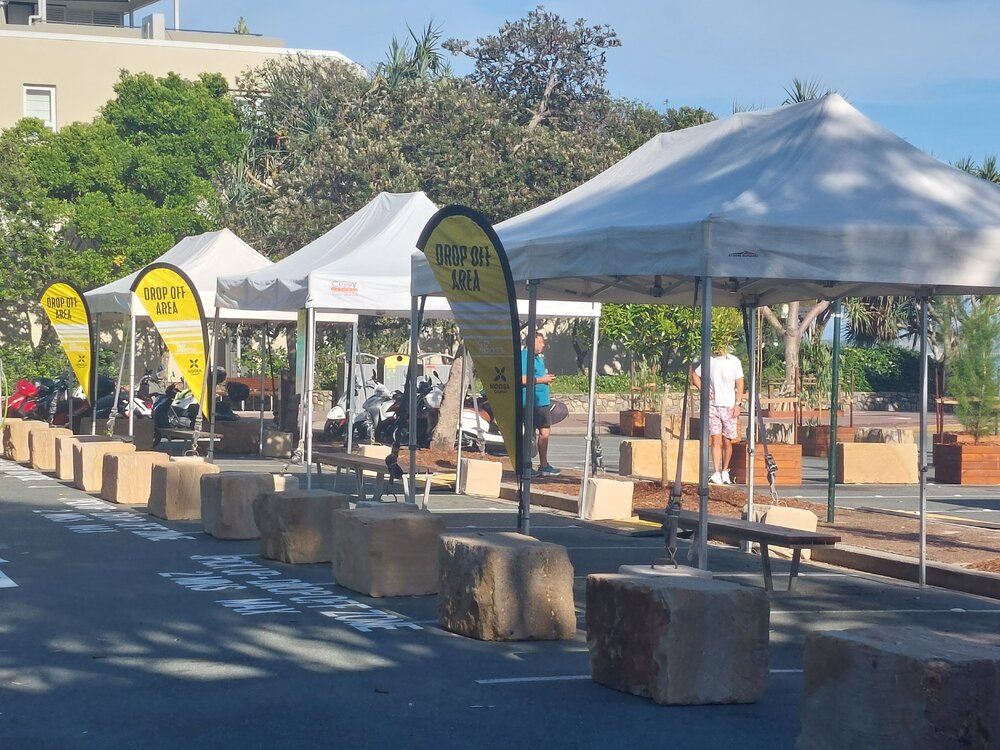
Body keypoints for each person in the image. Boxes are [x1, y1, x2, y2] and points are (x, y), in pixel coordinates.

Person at [691, 342, 745, 485]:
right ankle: (715, 472)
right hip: (713, 406)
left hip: (729, 405)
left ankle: (725, 470)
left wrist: (738, 404)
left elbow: (740, 383)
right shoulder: (710, 360)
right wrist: (704, 390)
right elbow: (695, 375)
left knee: (727, 440)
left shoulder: (734, 361)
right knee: (715, 439)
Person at [521, 332, 560, 476]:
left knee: (545, 432)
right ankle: (526, 465)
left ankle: (544, 464)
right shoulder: (524, 357)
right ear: (532, 343)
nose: (543, 345)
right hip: (530, 401)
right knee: (529, 434)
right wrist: (541, 380)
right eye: (540, 342)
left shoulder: (538, 359)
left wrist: (545, 379)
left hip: (542, 402)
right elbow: (521, 378)